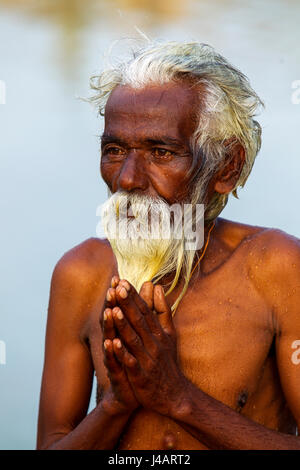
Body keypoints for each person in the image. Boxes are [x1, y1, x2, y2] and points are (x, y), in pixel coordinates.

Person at [36, 41, 300, 450]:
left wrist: (179, 399)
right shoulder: (81, 273)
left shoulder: (278, 268)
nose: (126, 179)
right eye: (115, 150)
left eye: (161, 152)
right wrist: (115, 405)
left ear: (226, 167)